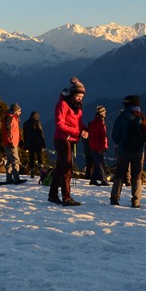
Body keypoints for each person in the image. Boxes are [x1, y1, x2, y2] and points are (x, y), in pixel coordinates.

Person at [48, 78, 88, 206]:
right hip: (62, 139)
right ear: (72, 94)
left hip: (70, 139)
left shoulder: (77, 107)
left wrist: (85, 129)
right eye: (78, 96)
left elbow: (78, 123)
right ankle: (66, 197)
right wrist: (78, 132)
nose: (80, 98)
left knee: (60, 168)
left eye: (82, 96)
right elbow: (60, 125)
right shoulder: (62, 105)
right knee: (67, 169)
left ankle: (53, 195)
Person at [109, 95, 146, 208]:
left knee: (119, 175)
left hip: (123, 151)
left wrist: (121, 143)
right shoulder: (142, 118)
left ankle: (114, 198)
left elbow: (114, 135)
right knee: (136, 176)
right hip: (138, 152)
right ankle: (136, 200)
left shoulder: (121, 117)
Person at [2, 103, 26, 184]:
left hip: (13, 142)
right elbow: (7, 131)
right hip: (11, 143)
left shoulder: (14, 118)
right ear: (15, 111)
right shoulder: (9, 118)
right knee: (15, 160)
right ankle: (16, 179)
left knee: (9, 160)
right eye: (19, 111)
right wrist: (10, 141)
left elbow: (15, 131)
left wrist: (20, 140)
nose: (20, 112)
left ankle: (9, 179)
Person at [87, 105, 109, 186]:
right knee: (100, 163)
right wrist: (102, 147)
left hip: (95, 146)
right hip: (98, 146)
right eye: (104, 112)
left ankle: (93, 180)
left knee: (97, 163)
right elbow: (101, 136)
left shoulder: (95, 122)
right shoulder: (99, 123)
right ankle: (104, 180)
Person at [23, 111, 46, 177]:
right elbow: (41, 133)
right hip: (38, 143)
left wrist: (25, 144)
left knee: (31, 158)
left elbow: (25, 135)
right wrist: (43, 142)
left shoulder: (26, 123)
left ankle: (32, 171)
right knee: (39, 157)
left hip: (29, 143)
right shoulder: (37, 122)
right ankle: (41, 171)